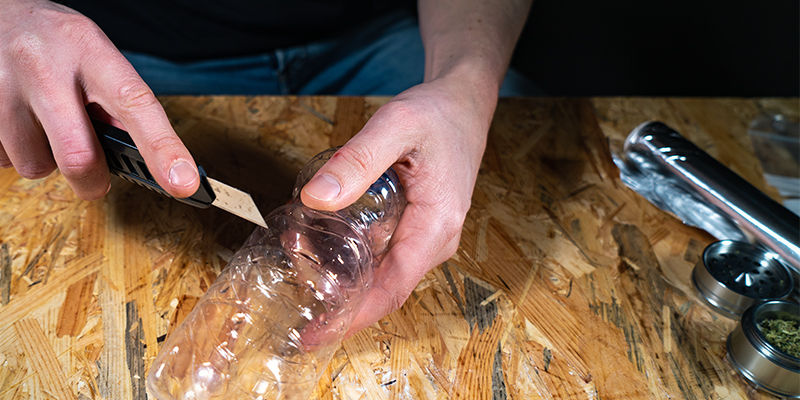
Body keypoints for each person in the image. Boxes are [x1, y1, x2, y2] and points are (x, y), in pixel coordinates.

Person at [0, 0, 533, 335]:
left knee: (514, 121)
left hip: (383, 35)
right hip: (125, 50)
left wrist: (465, 85)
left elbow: (467, 85)